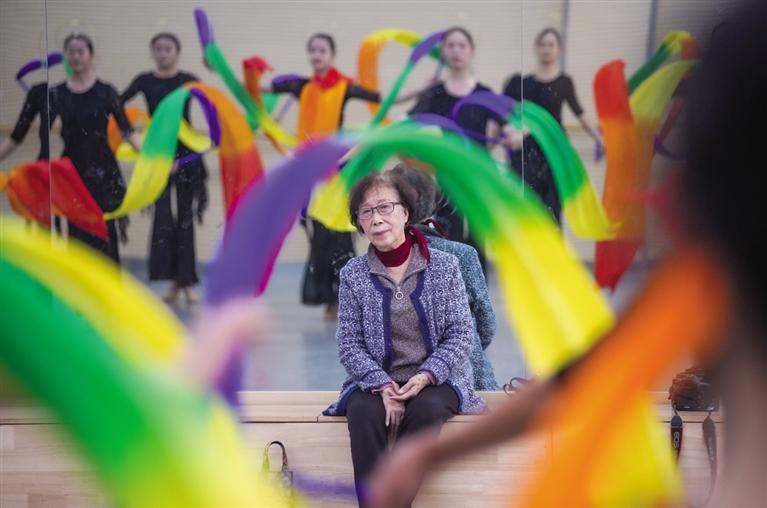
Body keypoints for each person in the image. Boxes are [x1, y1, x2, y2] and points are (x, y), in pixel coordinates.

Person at [366, 4, 767, 507]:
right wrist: (433, 453)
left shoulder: (704, 285)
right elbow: (587, 374)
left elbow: (584, 375)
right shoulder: (701, 286)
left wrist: (432, 453)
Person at [322, 170, 484, 506]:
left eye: (385, 207)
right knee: (362, 412)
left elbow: (460, 333)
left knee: (427, 409)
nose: (377, 219)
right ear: (359, 223)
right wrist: (382, 385)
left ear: (405, 213)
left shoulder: (445, 266)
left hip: (438, 379)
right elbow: (349, 344)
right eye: (366, 212)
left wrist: (425, 376)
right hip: (376, 380)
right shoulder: (353, 274)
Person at [262, 33, 381, 319]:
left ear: (331, 55)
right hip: (310, 172)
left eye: (322, 50)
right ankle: (328, 298)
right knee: (319, 236)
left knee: (341, 235)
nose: (317, 55)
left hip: (337, 171)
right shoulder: (300, 86)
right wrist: (223, 69)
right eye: (313, 50)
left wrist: (419, 89)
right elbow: (255, 87)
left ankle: (347, 298)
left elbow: (382, 99)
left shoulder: (344, 87)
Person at [390, 164, 498, 390]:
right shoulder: (461, 254)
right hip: (468, 379)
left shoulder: (372, 261)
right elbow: (486, 323)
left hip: (397, 383)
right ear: (433, 202)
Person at [121, 32, 208, 304]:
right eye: (158, 48)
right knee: (163, 219)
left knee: (185, 219)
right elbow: (115, 104)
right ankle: (172, 280)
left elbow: (212, 104)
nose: (163, 53)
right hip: (158, 155)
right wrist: (134, 135)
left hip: (185, 156)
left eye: (168, 48)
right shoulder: (144, 81)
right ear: (152, 52)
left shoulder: (188, 79)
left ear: (177, 52)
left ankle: (187, 282)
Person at [408, 27, 499, 271]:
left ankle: (477, 292)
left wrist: (511, 135)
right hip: (446, 177)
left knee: (479, 238)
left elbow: (509, 126)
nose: (456, 50)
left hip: (478, 176)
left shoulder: (484, 93)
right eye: (451, 45)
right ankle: (452, 291)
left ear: (471, 51)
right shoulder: (434, 93)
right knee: (449, 238)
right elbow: (410, 123)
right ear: (443, 52)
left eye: (462, 45)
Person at [48, 33, 140, 263]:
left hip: (103, 172)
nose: (76, 56)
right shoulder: (57, 93)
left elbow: (127, 131)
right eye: (71, 52)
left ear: (91, 56)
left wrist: (154, 158)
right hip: (72, 173)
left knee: (105, 233)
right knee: (77, 234)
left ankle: (107, 284)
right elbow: (41, 134)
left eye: (81, 51)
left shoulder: (106, 91)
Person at [501, 27, 603, 223]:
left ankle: (553, 240)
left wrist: (598, 138)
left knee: (553, 203)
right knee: (528, 201)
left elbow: (579, 112)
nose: (546, 49)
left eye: (551, 45)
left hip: (554, 150)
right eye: (543, 45)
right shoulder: (524, 83)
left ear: (558, 50)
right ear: (536, 48)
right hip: (528, 148)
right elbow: (510, 114)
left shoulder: (564, 82)